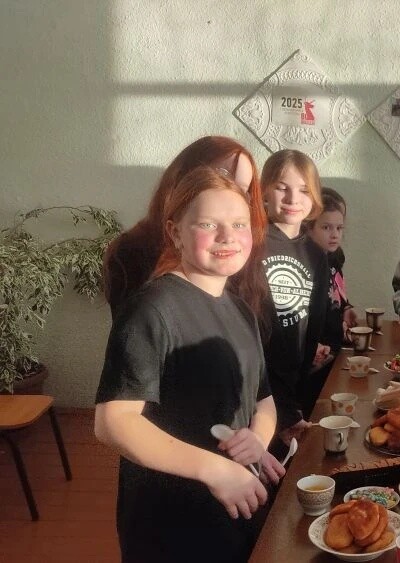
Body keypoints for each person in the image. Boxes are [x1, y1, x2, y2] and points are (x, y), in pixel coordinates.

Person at [95, 167, 283, 563]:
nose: (227, 236)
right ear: (176, 231)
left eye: (238, 224)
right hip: (171, 522)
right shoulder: (152, 309)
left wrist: (258, 439)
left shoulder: (241, 311)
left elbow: (263, 399)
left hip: (234, 506)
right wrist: (216, 470)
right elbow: (114, 422)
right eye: (208, 224)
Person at [103, 136, 270, 324]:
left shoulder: (243, 257)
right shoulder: (133, 251)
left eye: (242, 189)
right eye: (221, 178)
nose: (230, 193)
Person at [259, 149, 329, 438]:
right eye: (281, 187)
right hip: (255, 386)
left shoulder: (316, 254)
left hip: (292, 384)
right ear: (264, 190)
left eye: (303, 190)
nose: (292, 198)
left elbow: (313, 326)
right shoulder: (251, 244)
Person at [307, 187, 357, 359]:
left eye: (339, 228)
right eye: (326, 227)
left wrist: (346, 308)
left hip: (335, 344)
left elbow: (336, 292)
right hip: (317, 350)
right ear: (309, 228)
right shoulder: (308, 264)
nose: (335, 235)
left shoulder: (334, 257)